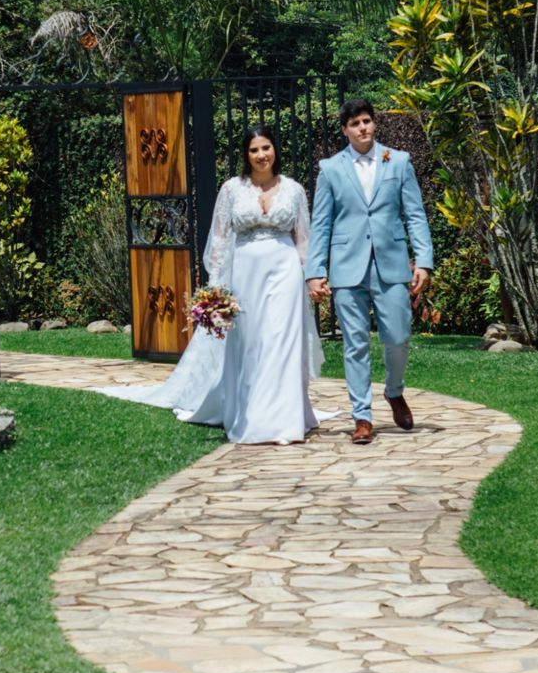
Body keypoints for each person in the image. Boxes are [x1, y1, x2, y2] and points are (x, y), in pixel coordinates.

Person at [99, 126, 328, 444]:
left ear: (275, 150)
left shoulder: (294, 190)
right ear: (246, 155)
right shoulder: (232, 189)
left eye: (266, 148)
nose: (261, 155)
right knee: (250, 342)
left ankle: (284, 420)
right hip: (246, 272)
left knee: (282, 341)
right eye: (254, 150)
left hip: (285, 269)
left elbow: (304, 238)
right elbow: (219, 241)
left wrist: (312, 277)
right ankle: (250, 412)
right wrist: (216, 290)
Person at [305, 100, 433, 445]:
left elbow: (415, 215)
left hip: (391, 264)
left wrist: (423, 260)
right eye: (355, 124)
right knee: (354, 343)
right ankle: (361, 416)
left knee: (397, 336)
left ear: (374, 124)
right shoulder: (330, 169)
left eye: (367, 121)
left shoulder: (399, 161)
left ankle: (394, 391)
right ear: (345, 130)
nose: (362, 128)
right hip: (347, 266)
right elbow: (322, 223)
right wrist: (314, 271)